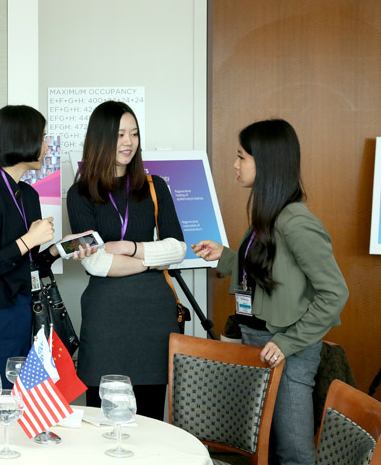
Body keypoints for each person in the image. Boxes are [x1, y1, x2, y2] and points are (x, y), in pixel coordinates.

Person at [192, 119, 347, 465]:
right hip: (259, 341)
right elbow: (270, 273)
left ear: (266, 163)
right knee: (267, 446)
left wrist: (288, 343)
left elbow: (334, 293)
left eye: (241, 157)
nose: (235, 165)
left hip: (285, 348)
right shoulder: (269, 214)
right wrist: (227, 257)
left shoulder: (296, 221)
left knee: (293, 452)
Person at [67, 101, 186, 420]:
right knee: (103, 420)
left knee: (150, 419)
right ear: (101, 138)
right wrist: (153, 258)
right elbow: (97, 264)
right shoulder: (80, 193)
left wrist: (129, 248)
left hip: (154, 317)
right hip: (106, 319)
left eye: (134, 134)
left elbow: (177, 250)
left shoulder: (155, 187)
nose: (128, 142)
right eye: (120, 134)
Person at [0, 105, 95, 388]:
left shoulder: (29, 196)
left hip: (30, 319)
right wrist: (28, 240)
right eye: (42, 138)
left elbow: (29, 265)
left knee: (31, 407)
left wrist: (59, 250)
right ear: (22, 139)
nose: (46, 146)